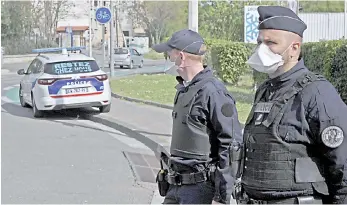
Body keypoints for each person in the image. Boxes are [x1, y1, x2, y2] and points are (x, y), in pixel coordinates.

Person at [236, 5, 347, 204]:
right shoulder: (264, 90)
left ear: (294, 48)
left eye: (271, 43)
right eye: (260, 42)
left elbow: (342, 165)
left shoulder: (317, 93)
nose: (262, 49)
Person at [152, 29, 243, 204]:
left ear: (181, 56)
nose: (168, 58)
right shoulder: (184, 89)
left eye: (169, 54)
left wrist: (222, 197)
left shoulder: (213, 92)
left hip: (200, 189)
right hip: (176, 185)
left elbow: (231, 145)